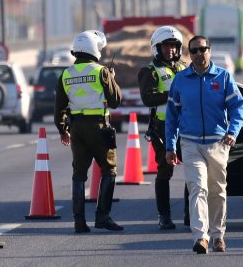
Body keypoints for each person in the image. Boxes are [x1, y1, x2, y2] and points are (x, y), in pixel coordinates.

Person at [165, 36, 243, 254]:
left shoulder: (224, 76)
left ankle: (218, 235)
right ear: (189, 54)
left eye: (203, 49)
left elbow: (238, 107)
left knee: (217, 190)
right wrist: (170, 147)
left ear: (210, 51)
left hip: (218, 143)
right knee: (197, 188)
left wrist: (233, 132)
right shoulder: (180, 80)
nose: (199, 54)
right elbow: (172, 116)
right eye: (194, 51)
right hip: (190, 143)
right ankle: (201, 237)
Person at [54, 30, 125, 233]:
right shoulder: (101, 71)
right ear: (95, 49)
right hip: (99, 127)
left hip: (76, 128)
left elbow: (59, 107)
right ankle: (102, 216)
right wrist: (112, 79)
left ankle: (79, 222)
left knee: (78, 175)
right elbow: (115, 101)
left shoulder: (65, 74)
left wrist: (62, 130)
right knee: (109, 171)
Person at [138, 25, 188, 230]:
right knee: (165, 172)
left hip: (187, 126)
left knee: (193, 170)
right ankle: (164, 216)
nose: (170, 50)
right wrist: (173, 95)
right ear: (157, 48)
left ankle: (191, 214)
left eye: (173, 46)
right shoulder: (149, 71)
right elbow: (147, 98)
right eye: (166, 46)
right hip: (163, 128)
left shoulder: (185, 68)